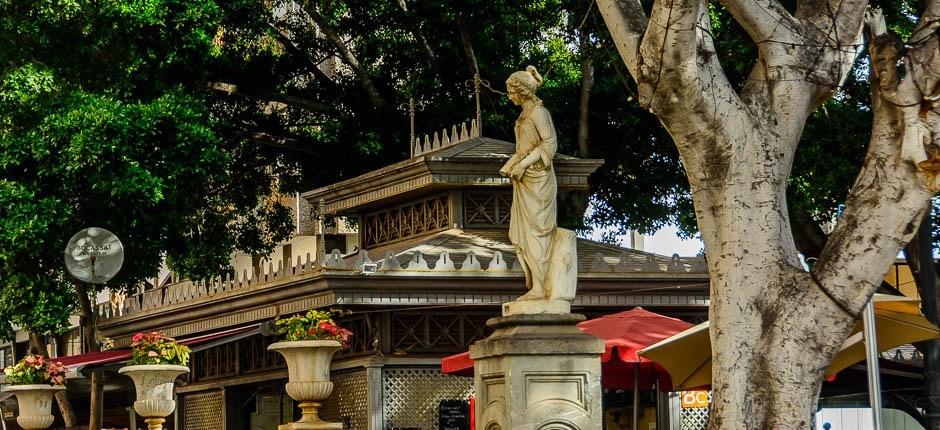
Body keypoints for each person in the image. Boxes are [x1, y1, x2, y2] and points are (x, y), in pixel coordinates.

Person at [499, 65, 558, 300]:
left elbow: (549, 144)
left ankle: (542, 288)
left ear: (521, 91)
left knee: (537, 233)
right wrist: (512, 164)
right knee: (522, 233)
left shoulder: (539, 114)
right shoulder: (524, 115)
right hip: (524, 182)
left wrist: (523, 165)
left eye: (511, 91)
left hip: (538, 180)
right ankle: (536, 285)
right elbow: (523, 149)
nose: (509, 96)